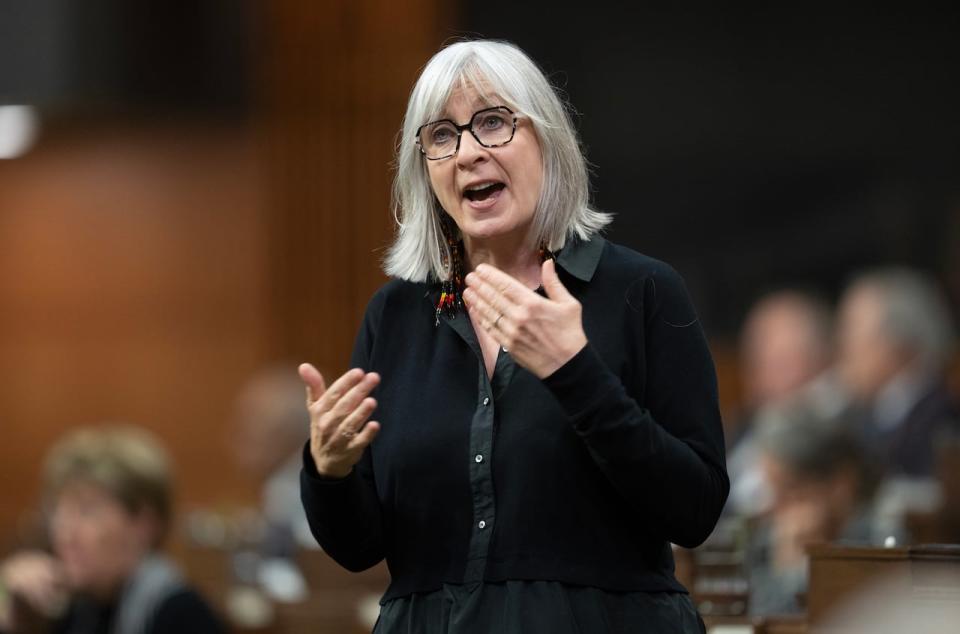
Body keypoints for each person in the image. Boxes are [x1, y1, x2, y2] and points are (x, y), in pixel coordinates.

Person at [298, 40, 729, 633]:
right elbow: (359, 547)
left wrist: (577, 374)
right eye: (442, 136)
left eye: (493, 123)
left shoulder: (640, 292)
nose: (469, 152)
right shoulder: (394, 315)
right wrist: (329, 470)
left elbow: (696, 510)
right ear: (424, 168)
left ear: (549, 141)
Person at [0, 426, 225, 634]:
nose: (65, 531)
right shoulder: (75, 608)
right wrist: (10, 611)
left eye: (86, 511)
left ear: (144, 524)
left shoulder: (180, 614)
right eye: (59, 511)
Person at [744, 404, 888, 616]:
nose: (775, 507)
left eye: (791, 490)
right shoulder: (767, 536)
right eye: (773, 491)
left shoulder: (881, 542)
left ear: (841, 486)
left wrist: (798, 571)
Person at [725, 290, 846, 516]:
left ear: (818, 360)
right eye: (754, 363)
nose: (759, 379)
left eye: (778, 363)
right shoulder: (743, 424)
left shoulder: (834, 427)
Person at [836, 267, 959, 478]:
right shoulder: (866, 415)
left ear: (897, 343)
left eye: (852, 334)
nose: (842, 350)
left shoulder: (944, 417)